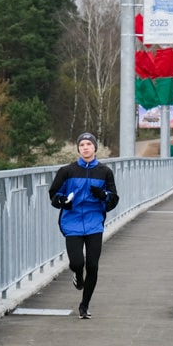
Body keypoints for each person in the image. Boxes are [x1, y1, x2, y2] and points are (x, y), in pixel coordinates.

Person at [48, 133, 119, 319]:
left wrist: (103, 196)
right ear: (78, 149)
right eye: (82, 145)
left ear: (95, 148)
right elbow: (54, 195)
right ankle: (78, 275)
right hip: (71, 222)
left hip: (94, 222)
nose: (85, 147)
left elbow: (114, 199)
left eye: (89, 144)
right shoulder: (67, 171)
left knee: (93, 266)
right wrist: (63, 201)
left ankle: (84, 305)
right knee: (77, 262)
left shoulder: (104, 172)